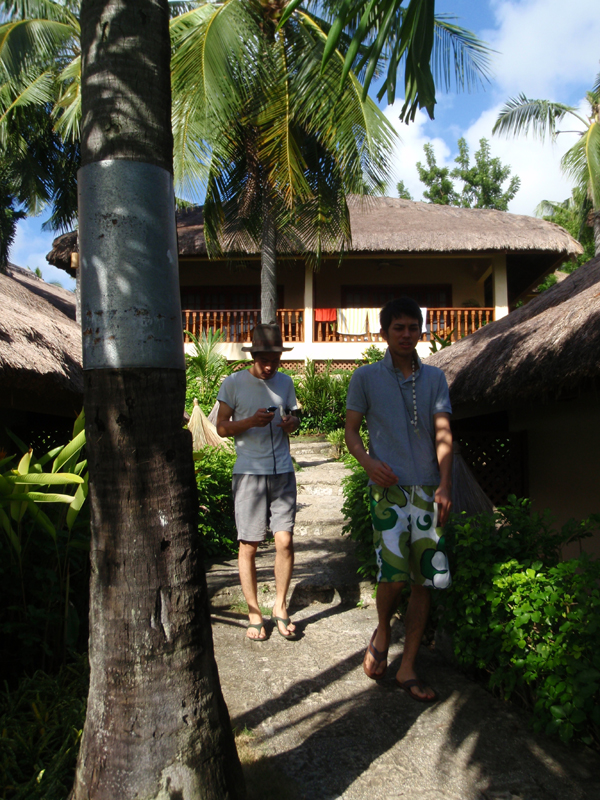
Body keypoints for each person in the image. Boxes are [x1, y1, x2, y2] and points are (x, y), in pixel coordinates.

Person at [345, 297, 453, 701]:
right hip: (388, 491)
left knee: (424, 581)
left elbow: (443, 433)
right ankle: (383, 630)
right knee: (392, 577)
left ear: (420, 332)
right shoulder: (365, 378)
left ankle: (407, 666)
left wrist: (445, 484)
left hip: (428, 490)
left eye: (412, 327)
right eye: (398, 328)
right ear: (384, 333)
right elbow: (351, 431)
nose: (406, 334)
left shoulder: (436, 378)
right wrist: (368, 464)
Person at [216, 324, 301, 641]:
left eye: (275, 360)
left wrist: (291, 423)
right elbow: (221, 427)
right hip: (249, 472)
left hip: (282, 472)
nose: (269, 366)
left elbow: (295, 418)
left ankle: (280, 605)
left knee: (285, 542)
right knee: (249, 545)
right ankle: (254, 612)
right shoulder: (234, 383)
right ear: (253, 356)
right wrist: (251, 421)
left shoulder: (286, 382)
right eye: (264, 360)